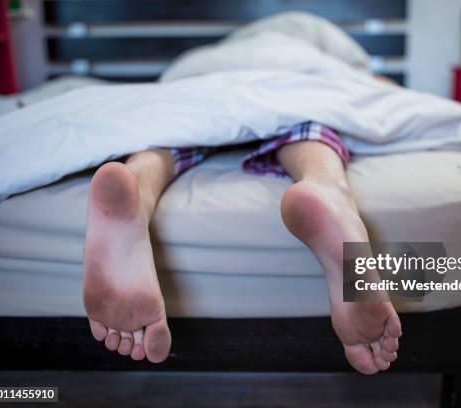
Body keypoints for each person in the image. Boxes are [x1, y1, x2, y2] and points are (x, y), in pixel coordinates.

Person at [83, 121, 401, 375]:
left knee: (170, 129)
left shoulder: (194, 67)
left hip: (198, 96)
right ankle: (327, 189)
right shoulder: (316, 58)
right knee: (309, 127)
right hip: (293, 91)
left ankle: (135, 187)